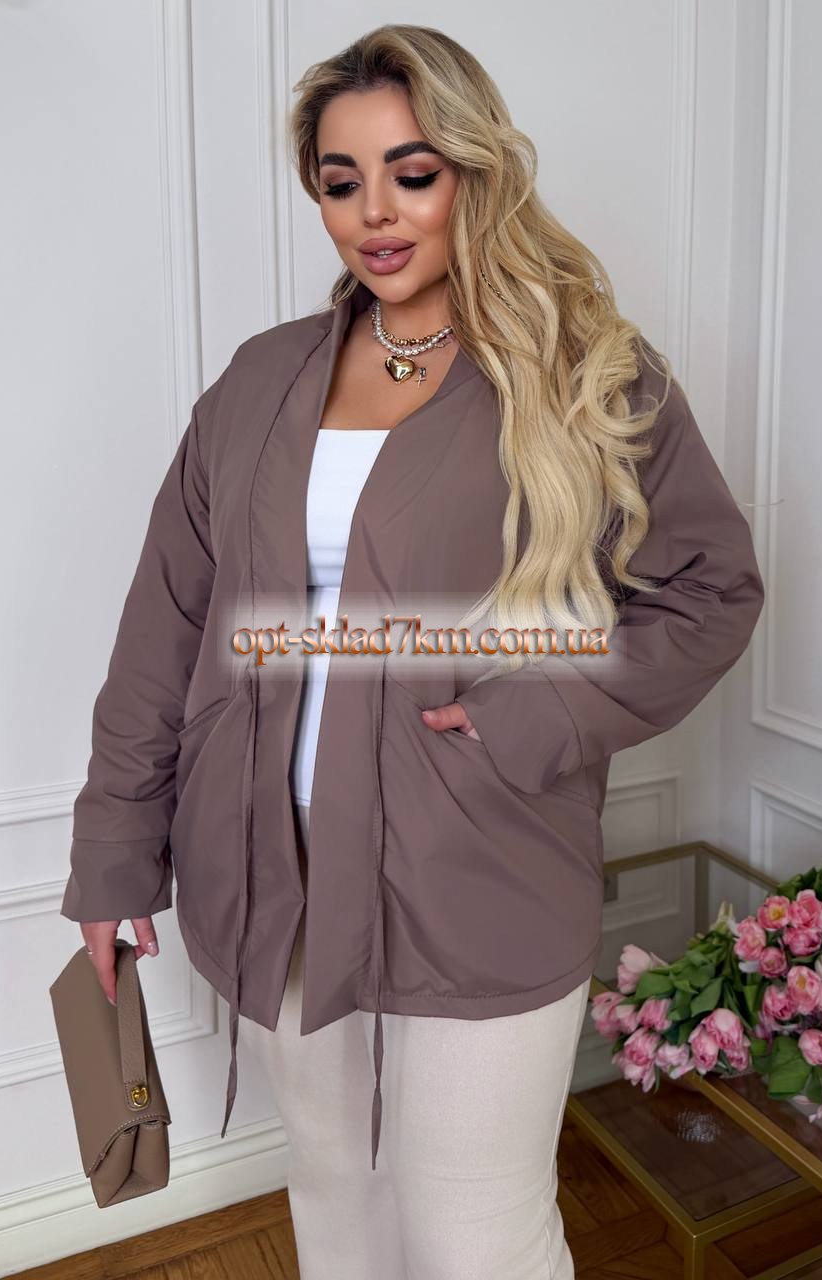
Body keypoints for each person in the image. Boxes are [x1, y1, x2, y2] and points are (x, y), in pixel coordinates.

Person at [61, 23, 765, 1280]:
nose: (374, 213)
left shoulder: (584, 374)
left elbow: (710, 589)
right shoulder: (258, 382)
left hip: (475, 855)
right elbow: (164, 625)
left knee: (475, 1233)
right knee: (339, 1199)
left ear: (474, 174)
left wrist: (531, 721)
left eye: (413, 172)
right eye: (342, 182)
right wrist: (115, 853)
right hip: (271, 866)